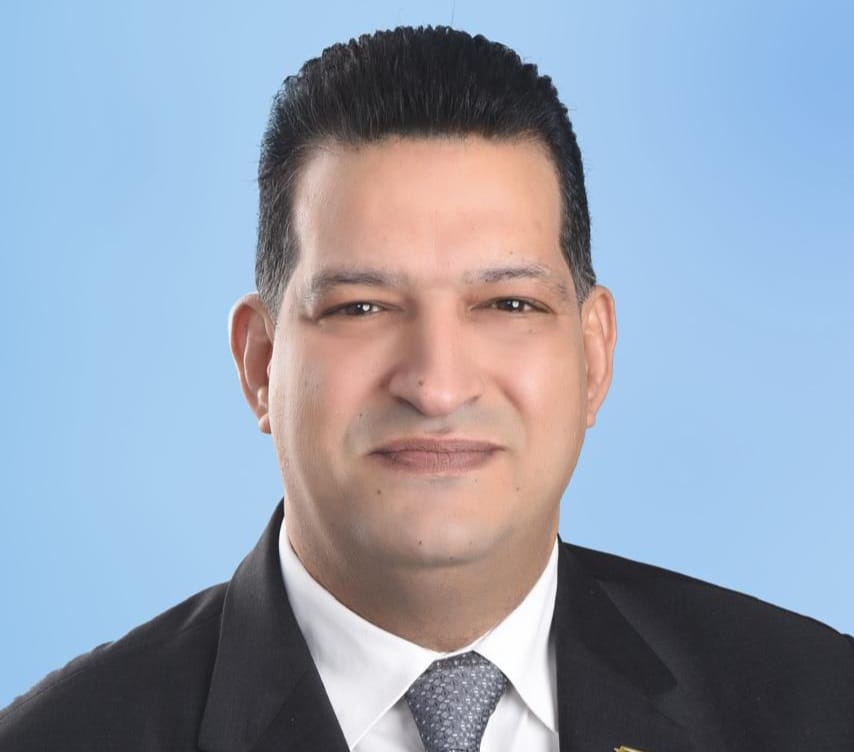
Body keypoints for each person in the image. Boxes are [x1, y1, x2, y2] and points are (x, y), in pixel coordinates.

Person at [1, 25, 851, 752]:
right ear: (260, 363)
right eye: (361, 307)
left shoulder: (818, 707)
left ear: (594, 356)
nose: (438, 386)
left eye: (508, 304)